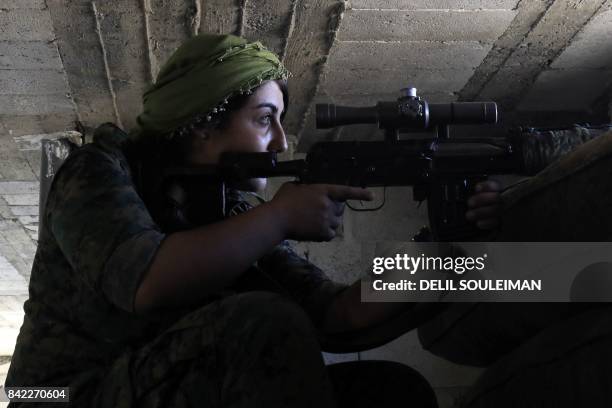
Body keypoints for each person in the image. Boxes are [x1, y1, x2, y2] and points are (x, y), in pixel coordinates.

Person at [5, 34, 498, 407]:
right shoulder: (97, 170)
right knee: (262, 320)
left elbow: (335, 315)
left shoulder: (233, 209)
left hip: (161, 381)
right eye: (265, 119)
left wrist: (437, 259)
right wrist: (280, 217)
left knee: (391, 390)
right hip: (56, 397)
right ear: (201, 122)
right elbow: (146, 281)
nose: (281, 142)